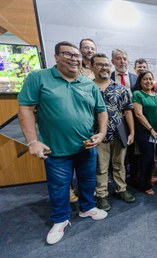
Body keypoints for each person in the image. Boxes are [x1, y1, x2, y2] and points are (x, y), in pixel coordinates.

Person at [18, 41, 108, 245]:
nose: (74, 58)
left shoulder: (88, 84)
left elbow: (101, 111)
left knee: (88, 181)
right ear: (56, 56)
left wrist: (101, 133)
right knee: (59, 187)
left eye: (76, 55)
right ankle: (60, 219)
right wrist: (33, 141)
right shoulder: (38, 78)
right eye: (68, 54)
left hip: (86, 146)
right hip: (55, 148)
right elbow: (25, 109)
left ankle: (87, 208)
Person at [91, 53, 136, 211]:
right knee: (101, 167)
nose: (103, 67)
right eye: (99, 64)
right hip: (97, 135)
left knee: (119, 165)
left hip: (119, 132)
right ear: (92, 67)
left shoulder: (120, 89)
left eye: (105, 64)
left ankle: (121, 189)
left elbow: (128, 112)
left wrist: (131, 133)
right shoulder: (87, 88)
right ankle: (101, 195)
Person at [132, 70, 157, 195]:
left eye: (150, 79)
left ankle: (154, 178)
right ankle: (144, 185)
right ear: (140, 81)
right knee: (147, 159)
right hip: (145, 133)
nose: (148, 81)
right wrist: (151, 130)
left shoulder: (155, 94)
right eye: (145, 79)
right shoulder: (137, 94)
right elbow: (138, 115)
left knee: (156, 158)